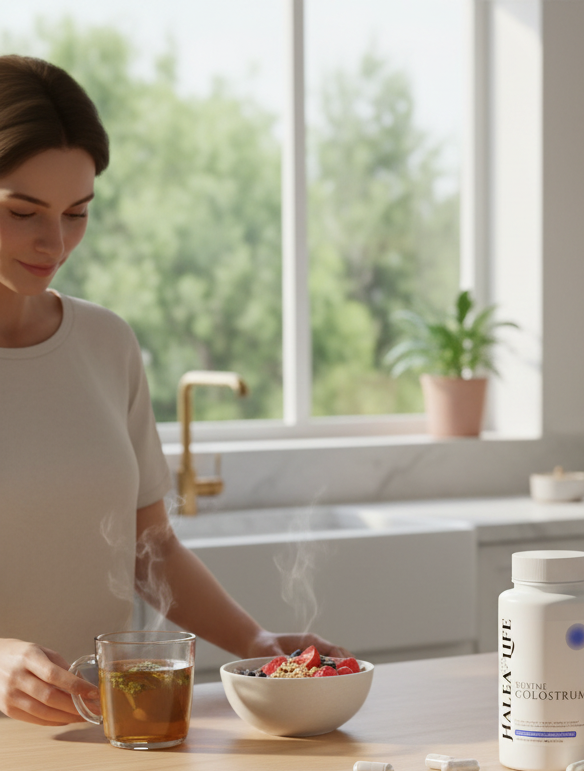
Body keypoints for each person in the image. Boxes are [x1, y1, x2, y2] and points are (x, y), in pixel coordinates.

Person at [0, 55, 347, 727]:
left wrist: (257, 645)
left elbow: (149, 548)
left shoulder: (105, 343)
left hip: (108, 731)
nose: (55, 242)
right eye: (23, 211)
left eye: (77, 212)